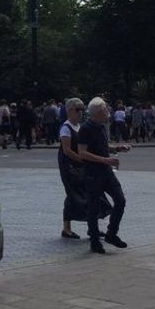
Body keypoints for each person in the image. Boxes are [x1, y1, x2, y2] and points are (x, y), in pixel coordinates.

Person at [78, 96, 131, 254]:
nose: (108, 112)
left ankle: (111, 234)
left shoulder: (101, 126)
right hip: (93, 173)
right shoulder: (85, 129)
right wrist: (106, 160)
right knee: (93, 208)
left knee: (120, 200)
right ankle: (95, 242)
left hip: (106, 172)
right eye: (105, 110)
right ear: (98, 112)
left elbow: (102, 146)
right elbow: (82, 153)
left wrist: (116, 148)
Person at [58, 98, 86, 239]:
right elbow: (67, 150)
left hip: (79, 166)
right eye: (77, 109)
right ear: (69, 111)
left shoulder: (79, 126)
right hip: (69, 167)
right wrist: (82, 159)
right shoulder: (66, 128)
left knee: (86, 194)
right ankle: (66, 228)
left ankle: (92, 225)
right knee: (73, 195)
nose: (81, 112)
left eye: (82, 109)